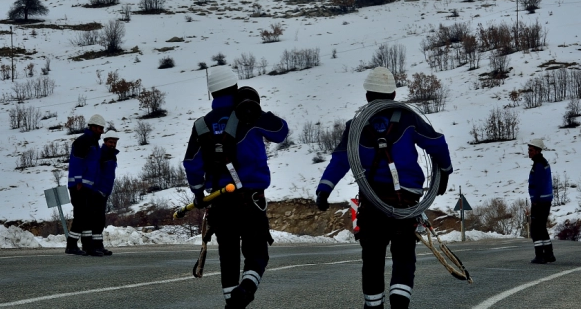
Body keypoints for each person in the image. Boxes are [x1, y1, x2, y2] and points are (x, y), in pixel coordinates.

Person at [315, 67, 453, 309]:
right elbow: (436, 143)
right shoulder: (408, 119)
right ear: (393, 94)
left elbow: (340, 160)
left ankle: (373, 306)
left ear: (367, 95)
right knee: (403, 257)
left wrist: (324, 189)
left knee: (373, 259)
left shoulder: (355, 125)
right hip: (406, 202)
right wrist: (445, 171)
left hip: (372, 204)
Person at [182, 66, 289, 309]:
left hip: (219, 201)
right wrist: (257, 108)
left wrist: (198, 193)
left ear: (212, 94)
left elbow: (192, 164)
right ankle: (246, 290)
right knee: (257, 253)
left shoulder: (201, 125)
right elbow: (281, 131)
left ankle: (232, 302)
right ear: (235, 87)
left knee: (228, 258)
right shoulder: (249, 114)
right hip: (250, 198)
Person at [66, 114, 105, 256]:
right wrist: (77, 182)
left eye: (102, 129)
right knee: (81, 215)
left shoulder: (94, 143)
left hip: (88, 186)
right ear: (93, 127)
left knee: (87, 215)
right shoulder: (84, 141)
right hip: (79, 186)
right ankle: (71, 245)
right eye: (100, 128)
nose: (101, 131)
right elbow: (76, 162)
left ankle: (88, 246)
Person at [90, 130, 120, 257]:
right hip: (97, 191)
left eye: (114, 142)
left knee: (100, 220)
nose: (112, 144)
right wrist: (97, 189)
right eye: (110, 142)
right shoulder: (101, 154)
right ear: (105, 142)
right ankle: (93, 246)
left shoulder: (112, 155)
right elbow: (95, 172)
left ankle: (99, 245)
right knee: (96, 220)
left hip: (105, 191)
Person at [527, 138, 555, 264]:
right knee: (542, 227)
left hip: (540, 201)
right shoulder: (543, 162)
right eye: (529, 150)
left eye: (531, 150)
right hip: (545, 200)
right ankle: (549, 254)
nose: (529, 152)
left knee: (536, 228)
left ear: (538, 151)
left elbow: (538, 184)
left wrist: (535, 200)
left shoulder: (538, 164)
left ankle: (540, 255)